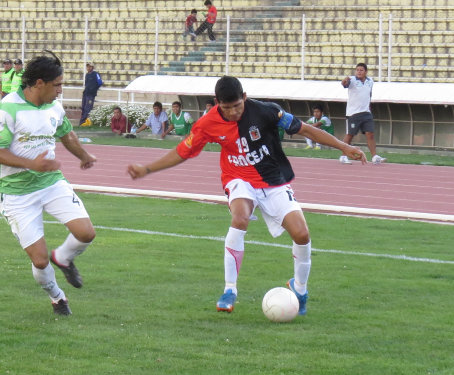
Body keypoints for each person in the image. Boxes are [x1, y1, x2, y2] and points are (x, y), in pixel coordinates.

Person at [127, 76, 366, 315]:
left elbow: (306, 130)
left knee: (302, 234)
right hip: (238, 178)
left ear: (245, 97)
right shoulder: (207, 123)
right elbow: (182, 151)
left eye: (237, 106)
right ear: (216, 102)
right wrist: (147, 169)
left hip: (272, 180)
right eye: (226, 107)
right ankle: (230, 289)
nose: (232, 112)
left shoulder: (268, 111)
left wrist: (344, 147)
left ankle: (300, 289)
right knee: (240, 217)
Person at [0, 52, 98, 316]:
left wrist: (83, 156)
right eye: (57, 85)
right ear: (40, 83)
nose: (61, 91)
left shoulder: (54, 107)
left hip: (50, 183)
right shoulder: (6, 109)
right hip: (17, 193)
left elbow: (66, 134)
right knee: (38, 260)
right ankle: (57, 297)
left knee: (86, 233)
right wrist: (31, 164)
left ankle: (62, 257)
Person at [340, 63, 386, 164]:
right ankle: (343, 156)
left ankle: (374, 156)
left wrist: (369, 106)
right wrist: (344, 81)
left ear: (366, 71)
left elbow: (369, 94)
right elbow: (344, 84)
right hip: (353, 113)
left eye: (361, 70)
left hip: (366, 112)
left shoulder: (370, 81)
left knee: (370, 134)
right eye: (357, 70)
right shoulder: (352, 80)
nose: (359, 72)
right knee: (350, 135)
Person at [79, 61, 103, 126]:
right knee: (83, 107)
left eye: (90, 66)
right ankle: (82, 122)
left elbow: (100, 82)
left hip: (91, 94)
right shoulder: (87, 75)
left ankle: (84, 122)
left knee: (88, 108)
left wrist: (94, 89)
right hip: (86, 93)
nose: (88, 68)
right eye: (87, 66)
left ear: (92, 67)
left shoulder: (95, 74)